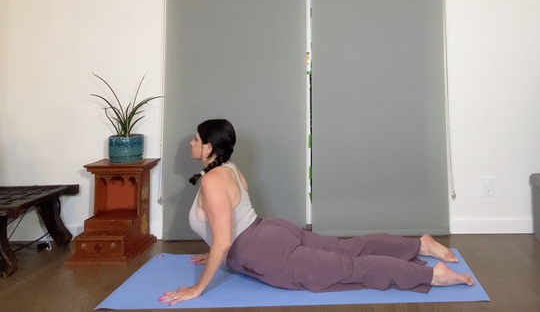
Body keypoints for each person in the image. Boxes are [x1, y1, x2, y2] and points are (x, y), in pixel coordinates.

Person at [159, 119, 474, 306]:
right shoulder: (228, 168)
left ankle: (431, 275)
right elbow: (231, 223)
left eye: (197, 139)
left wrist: (197, 288)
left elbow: (226, 238)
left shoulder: (212, 181)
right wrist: (213, 250)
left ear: (208, 148)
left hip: (265, 253)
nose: (191, 142)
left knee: (350, 267)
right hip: (271, 231)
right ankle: (420, 244)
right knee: (350, 249)